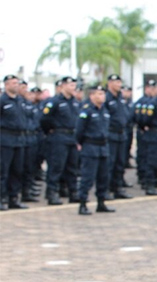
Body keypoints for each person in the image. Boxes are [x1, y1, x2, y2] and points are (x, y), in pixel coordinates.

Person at [74, 85, 115, 215]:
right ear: (92, 96)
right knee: (88, 177)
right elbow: (79, 131)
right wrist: (81, 143)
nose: (102, 96)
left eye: (103, 94)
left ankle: (101, 203)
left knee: (103, 177)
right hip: (90, 147)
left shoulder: (105, 110)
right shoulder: (86, 111)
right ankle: (83, 204)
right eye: (98, 94)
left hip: (103, 147)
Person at [41, 76, 81, 205]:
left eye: (74, 85)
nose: (73, 88)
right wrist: (51, 131)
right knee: (56, 166)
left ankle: (73, 192)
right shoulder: (54, 101)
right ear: (63, 86)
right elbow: (44, 119)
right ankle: (52, 193)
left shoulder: (75, 102)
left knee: (72, 167)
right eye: (70, 85)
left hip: (72, 137)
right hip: (58, 137)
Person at [0, 74, 29, 210]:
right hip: (5, 139)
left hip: (19, 139)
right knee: (3, 171)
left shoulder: (20, 101)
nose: (16, 85)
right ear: (6, 85)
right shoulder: (2, 101)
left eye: (17, 83)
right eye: (13, 83)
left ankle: (13, 198)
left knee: (17, 170)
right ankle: (1, 199)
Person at [105, 74, 132, 199]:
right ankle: (106, 189)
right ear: (110, 83)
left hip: (122, 134)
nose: (119, 85)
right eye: (116, 82)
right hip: (111, 134)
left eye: (120, 82)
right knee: (109, 164)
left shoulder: (121, 97)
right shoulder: (106, 98)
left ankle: (118, 188)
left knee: (120, 163)